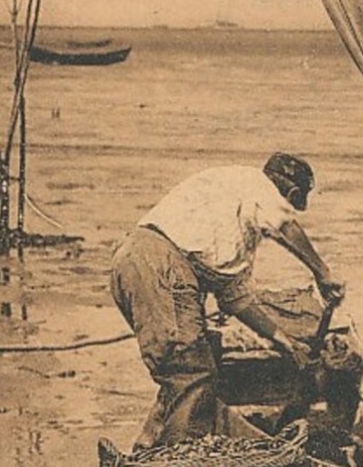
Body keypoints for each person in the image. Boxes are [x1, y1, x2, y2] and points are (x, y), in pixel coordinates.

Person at [109, 152, 346, 451]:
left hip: (131, 259)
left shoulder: (232, 202)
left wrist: (286, 342)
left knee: (178, 370)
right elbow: (285, 224)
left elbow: (237, 299)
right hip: (162, 265)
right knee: (193, 373)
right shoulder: (260, 187)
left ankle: (147, 452)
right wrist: (322, 273)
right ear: (292, 193)